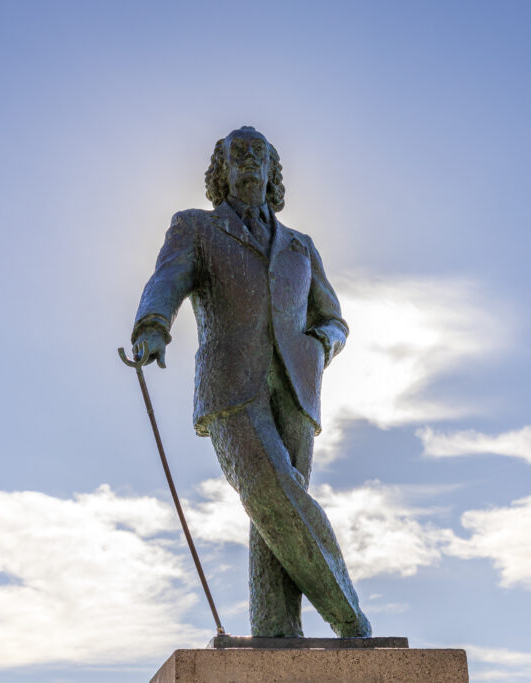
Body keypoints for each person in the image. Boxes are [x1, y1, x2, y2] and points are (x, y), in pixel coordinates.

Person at [130, 126, 370, 638]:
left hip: (298, 387)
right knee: (273, 493)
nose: (248, 164)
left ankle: (276, 632)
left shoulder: (301, 246)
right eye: (237, 156)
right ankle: (351, 617)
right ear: (221, 171)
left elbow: (334, 319)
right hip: (230, 385)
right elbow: (167, 279)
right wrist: (153, 325)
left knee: (271, 516)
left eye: (258, 156)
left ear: (271, 171)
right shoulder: (196, 227)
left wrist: (320, 345)